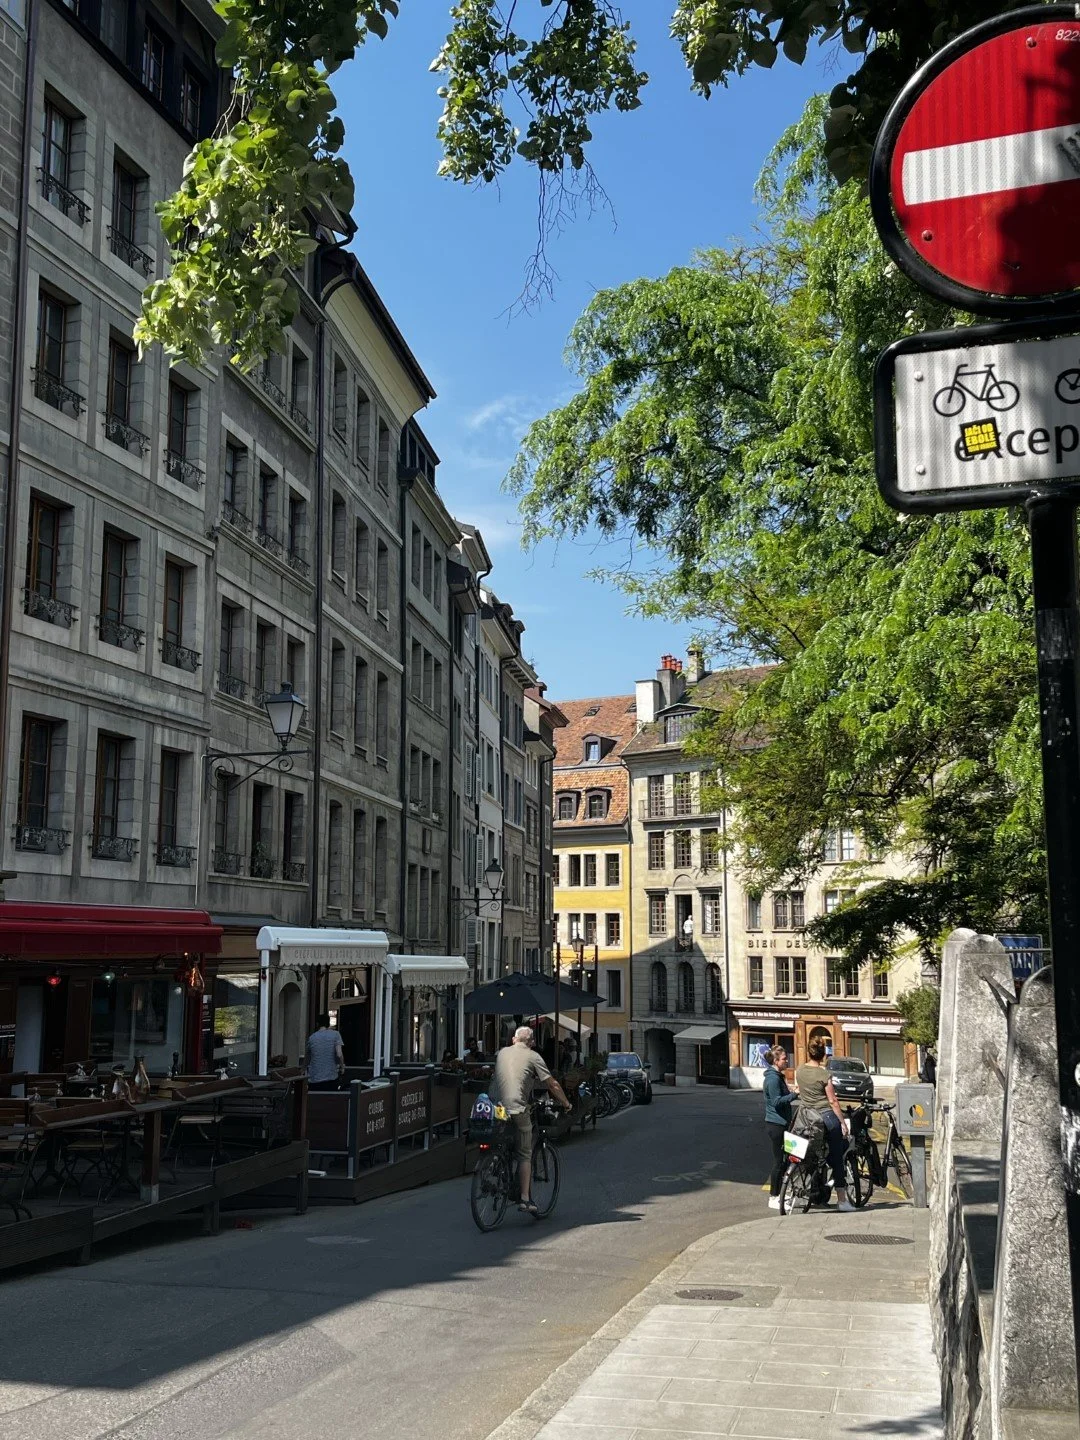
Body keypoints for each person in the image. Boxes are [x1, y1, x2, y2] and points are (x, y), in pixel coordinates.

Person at [490, 1025, 572, 1215]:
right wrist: (566, 1103)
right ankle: (525, 1199)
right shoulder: (533, 1056)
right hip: (517, 1108)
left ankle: (495, 1163)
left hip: (495, 1108)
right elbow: (551, 1083)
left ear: (513, 1040)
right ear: (532, 1043)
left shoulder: (502, 1053)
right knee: (525, 1152)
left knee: (505, 1137)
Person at [795, 1036, 854, 1212]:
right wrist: (842, 1122)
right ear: (823, 1055)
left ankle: (810, 1186)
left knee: (811, 1152)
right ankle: (842, 1200)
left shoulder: (799, 1070)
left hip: (805, 1116)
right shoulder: (824, 1074)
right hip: (824, 1116)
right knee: (837, 1157)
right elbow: (833, 1101)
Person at [762, 1045, 796, 1211]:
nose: (787, 1060)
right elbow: (776, 1101)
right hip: (776, 1125)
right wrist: (794, 1095)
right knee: (778, 1162)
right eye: (784, 1058)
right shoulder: (773, 1079)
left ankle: (780, 1193)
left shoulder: (777, 1076)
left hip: (781, 1123)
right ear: (776, 1061)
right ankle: (774, 1196)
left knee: (785, 1160)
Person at [306, 1015, 345, 1091]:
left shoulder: (312, 1038)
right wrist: (342, 1067)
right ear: (328, 1023)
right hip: (330, 1078)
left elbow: (307, 1058)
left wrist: (302, 1069)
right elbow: (339, 1053)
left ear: (317, 1024)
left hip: (314, 1079)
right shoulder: (336, 1035)